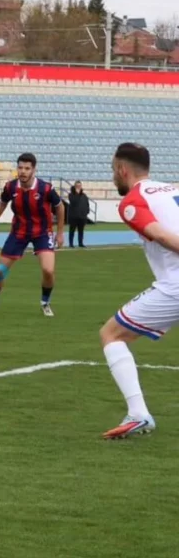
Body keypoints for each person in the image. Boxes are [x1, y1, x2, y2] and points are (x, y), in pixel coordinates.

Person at [99, 143, 179, 439]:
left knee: (111, 334)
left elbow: (157, 234)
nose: (112, 177)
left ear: (122, 169)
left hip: (175, 285)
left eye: (112, 171)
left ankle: (138, 414)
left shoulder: (133, 201)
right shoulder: (169, 189)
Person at [0, 153, 64, 317]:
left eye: (27, 168)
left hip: (42, 232)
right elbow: (2, 203)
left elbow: (60, 207)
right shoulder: (10, 187)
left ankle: (45, 303)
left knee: (48, 270)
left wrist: (60, 233)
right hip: (18, 233)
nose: (23, 171)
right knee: (0, 272)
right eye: (20, 167)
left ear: (34, 170)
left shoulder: (46, 188)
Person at [68, 181, 90, 248]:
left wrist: (86, 211)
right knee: (72, 231)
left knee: (81, 231)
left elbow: (87, 204)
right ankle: (71, 244)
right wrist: (77, 193)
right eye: (77, 186)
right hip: (73, 216)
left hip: (82, 216)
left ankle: (81, 243)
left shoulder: (84, 195)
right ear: (75, 187)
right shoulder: (71, 195)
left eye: (79, 186)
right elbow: (74, 202)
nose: (78, 187)